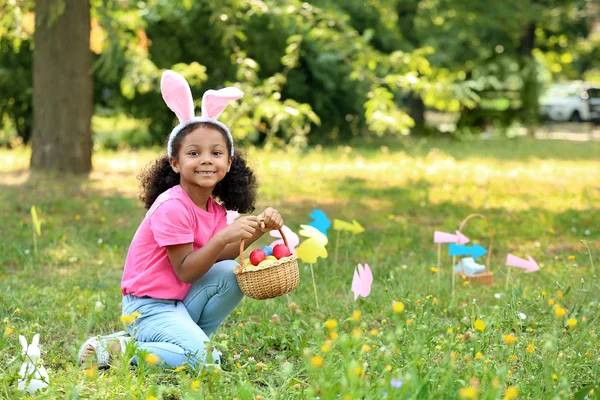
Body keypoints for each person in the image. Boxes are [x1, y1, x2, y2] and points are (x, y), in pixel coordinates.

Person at [77, 70, 283, 369]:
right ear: (175, 162)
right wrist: (225, 236)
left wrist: (257, 229)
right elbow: (187, 270)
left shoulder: (214, 209)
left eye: (216, 152)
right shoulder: (173, 205)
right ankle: (124, 349)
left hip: (179, 303)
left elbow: (217, 256)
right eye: (194, 152)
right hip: (148, 307)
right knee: (206, 359)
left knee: (230, 272)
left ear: (228, 162)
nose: (206, 160)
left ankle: (185, 344)